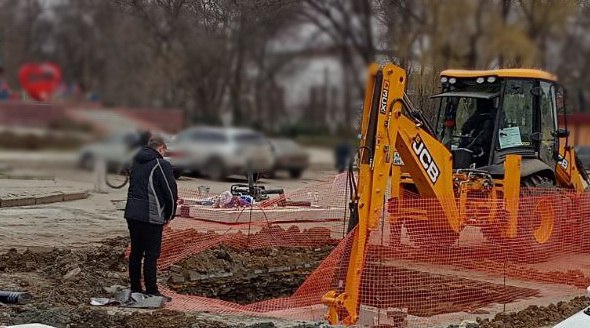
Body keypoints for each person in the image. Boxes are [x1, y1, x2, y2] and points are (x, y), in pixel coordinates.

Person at [124, 136, 177, 299]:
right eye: (164, 151)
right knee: (151, 254)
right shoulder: (161, 164)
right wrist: (169, 214)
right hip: (151, 215)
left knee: (136, 252)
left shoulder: (136, 162)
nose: (164, 154)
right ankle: (152, 291)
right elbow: (170, 192)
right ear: (160, 148)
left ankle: (135, 288)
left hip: (132, 213)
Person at [459, 98, 495, 167]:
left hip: (482, 152)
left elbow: (465, 128)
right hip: (487, 150)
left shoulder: (482, 115)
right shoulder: (495, 115)